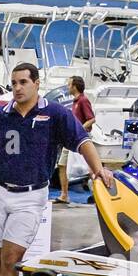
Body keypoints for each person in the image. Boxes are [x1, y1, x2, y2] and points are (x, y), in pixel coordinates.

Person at [0, 63, 115, 276]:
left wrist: (98, 169)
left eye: (23, 82)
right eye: (14, 83)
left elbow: (82, 141)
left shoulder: (55, 114)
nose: (18, 88)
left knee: (11, 258)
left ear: (36, 84)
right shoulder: (0, 114)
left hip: (30, 197)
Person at [56, 75, 96, 204]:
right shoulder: (76, 101)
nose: (68, 87)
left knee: (89, 168)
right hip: (71, 139)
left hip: (80, 139)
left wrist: (79, 129)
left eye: (69, 84)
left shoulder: (83, 101)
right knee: (62, 165)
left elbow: (92, 119)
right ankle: (64, 195)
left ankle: (98, 194)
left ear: (74, 86)